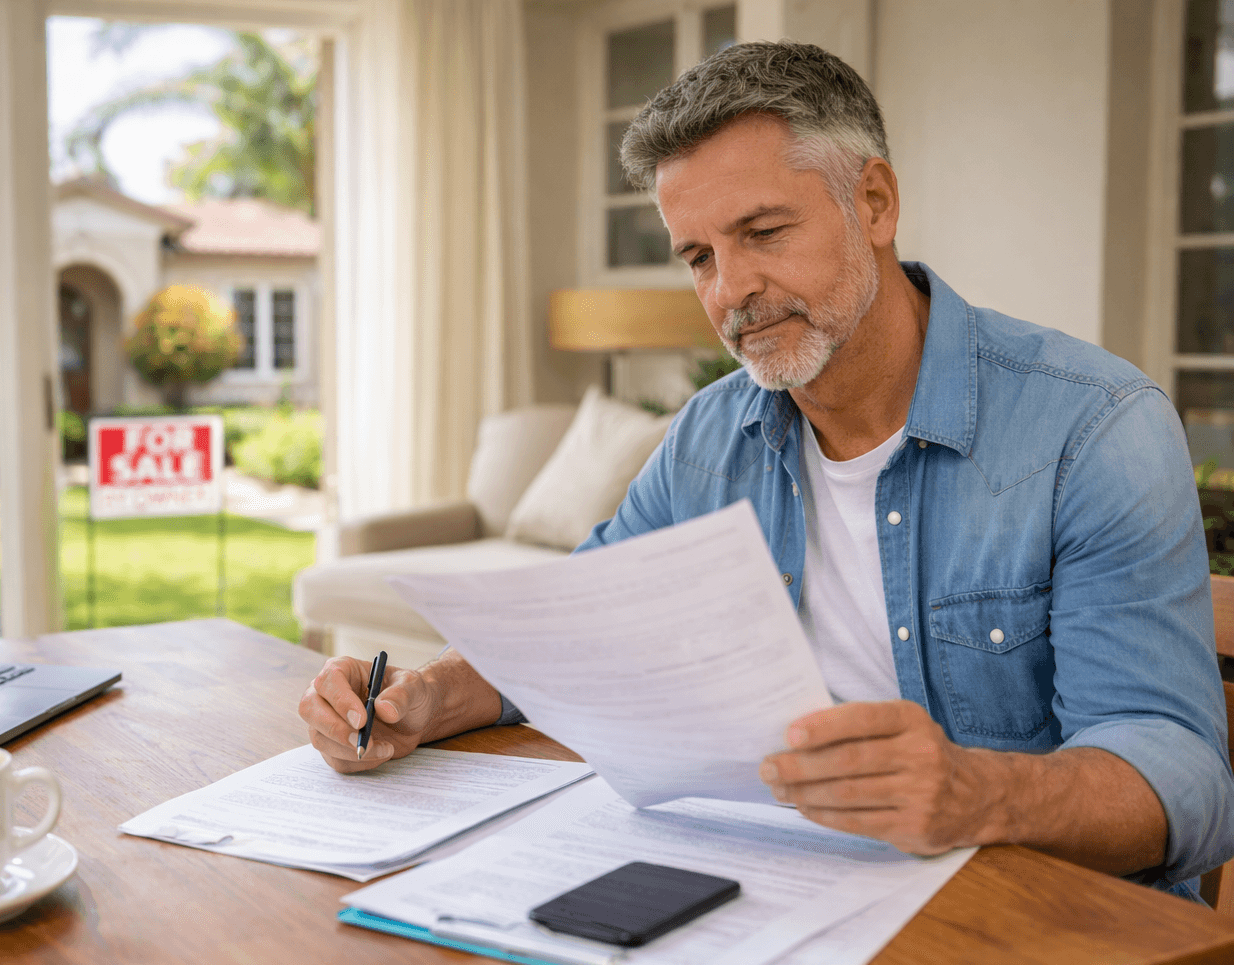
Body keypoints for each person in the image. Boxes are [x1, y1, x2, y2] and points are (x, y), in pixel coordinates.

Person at [298, 42, 1234, 899]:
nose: (729, 290)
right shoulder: (709, 437)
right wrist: (424, 697)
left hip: (1034, 924)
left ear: (875, 204)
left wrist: (975, 794)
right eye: (699, 256)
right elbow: (571, 633)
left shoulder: (1094, 430)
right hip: (781, 890)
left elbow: (1185, 781)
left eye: (764, 232)